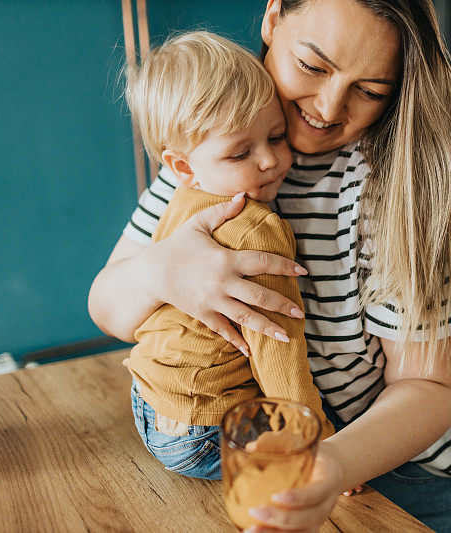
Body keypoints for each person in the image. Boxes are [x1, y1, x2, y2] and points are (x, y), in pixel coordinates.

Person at [90, 0, 451, 530]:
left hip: (428, 474)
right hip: (305, 449)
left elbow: (428, 388)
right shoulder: (213, 147)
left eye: (370, 91)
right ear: (272, 19)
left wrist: (328, 460)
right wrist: (159, 270)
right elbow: (108, 307)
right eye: (313, 66)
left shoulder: (408, 188)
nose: (329, 106)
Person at [120, 31, 335, 481]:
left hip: (148, 404)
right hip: (205, 433)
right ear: (182, 166)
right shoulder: (259, 228)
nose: (269, 161)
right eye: (241, 152)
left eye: (277, 136)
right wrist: (320, 439)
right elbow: (280, 351)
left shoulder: (178, 202)